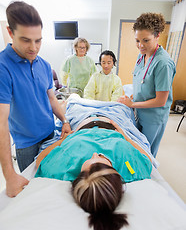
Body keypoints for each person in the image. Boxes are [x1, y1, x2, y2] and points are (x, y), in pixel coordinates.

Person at [0, 1, 71, 198]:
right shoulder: (3, 67)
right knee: (32, 192)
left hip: (50, 135)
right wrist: (9, 176)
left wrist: (64, 121)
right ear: (10, 32)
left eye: (38, 40)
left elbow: (51, 99)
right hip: (26, 144)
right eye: (26, 40)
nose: (33, 48)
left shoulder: (45, 66)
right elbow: (1, 124)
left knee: (52, 183)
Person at [35, 117, 152, 230]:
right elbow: (147, 160)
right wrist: (125, 137)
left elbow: (40, 159)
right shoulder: (128, 165)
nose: (95, 154)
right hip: (110, 123)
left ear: (78, 177)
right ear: (114, 174)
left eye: (89, 160)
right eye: (102, 157)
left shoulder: (63, 169)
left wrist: (64, 140)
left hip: (83, 124)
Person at [118, 13, 176, 157]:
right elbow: (142, 81)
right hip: (140, 111)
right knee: (136, 145)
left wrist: (132, 104)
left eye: (146, 40)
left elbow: (160, 100)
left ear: (157, 35)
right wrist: (132, 98)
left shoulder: (163, 63)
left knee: (145, 152)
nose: (140, 45)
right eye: (137, 40)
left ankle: (147, 176)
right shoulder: (142, 55)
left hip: (154, 117)